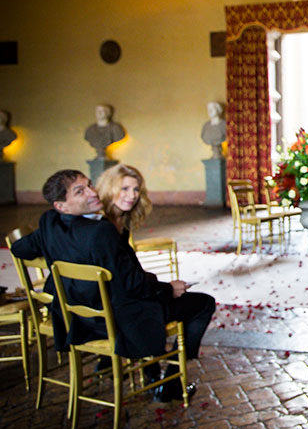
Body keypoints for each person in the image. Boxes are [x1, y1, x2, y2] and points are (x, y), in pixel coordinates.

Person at [10, 169, 215, 403]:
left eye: (89, 185)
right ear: (62, 206)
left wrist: (55, 251)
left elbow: (19, 249)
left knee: (153, 293)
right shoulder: (101, 231)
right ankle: (168, 382)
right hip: (114, 317)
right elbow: (131, 285)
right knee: (203, 303)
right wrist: (168, 289)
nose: (91, 192)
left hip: (76, 317)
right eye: (80, 191)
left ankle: (124, 366)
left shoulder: (50, 222)